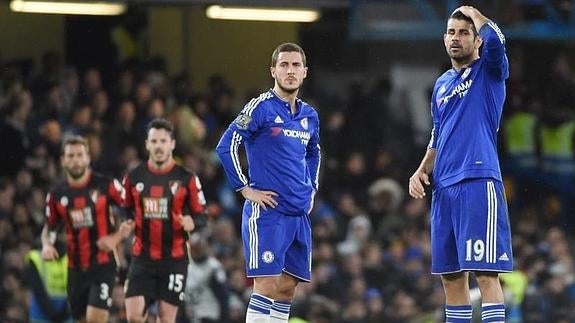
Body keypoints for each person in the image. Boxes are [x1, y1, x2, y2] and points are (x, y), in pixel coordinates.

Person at [408, 6, 513, 323]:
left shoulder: (489, 71)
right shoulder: (441, 84)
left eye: (464, 32)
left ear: (477, 40)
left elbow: (497, 40)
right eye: (452, 32)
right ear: (444, 39)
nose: (456, 38)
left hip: (478, 181)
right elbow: (438, 132)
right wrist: (423, 167)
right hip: (444, 187)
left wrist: (477, 15)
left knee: (485, 272)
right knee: (451, 277)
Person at [216, 42, 321, 323]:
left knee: (287, 288)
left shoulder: (309, 115)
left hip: (298, 212)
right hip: (268, 212)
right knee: (265, 285)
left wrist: (312, 189)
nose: (290, 71)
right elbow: (226, 145)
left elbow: (314, 152)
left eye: (296, 65)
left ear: (305, 72)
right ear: (273, 70)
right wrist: (244, 188)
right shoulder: (260, 107)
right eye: (284, 65)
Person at [121, 118, 207, 323]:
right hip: (142, 258)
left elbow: (202, 216)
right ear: (147, 144)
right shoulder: (134, 177)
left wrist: (192, 223)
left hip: (174, 260)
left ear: (172, 144)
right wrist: (128, 224)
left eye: (163, 141)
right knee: (134, 317)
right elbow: (126, 210)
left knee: (165, 320)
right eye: (154, 141)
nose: (159, 146)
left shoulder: (187, 178)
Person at [42, 135, 133, 322]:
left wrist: (115, 239)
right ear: (63, 160)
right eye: (71, 156)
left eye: (79, 155)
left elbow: (133, 213)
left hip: (103, 265)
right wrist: (46, 245)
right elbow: (50, 227)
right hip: (75, 269)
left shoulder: (106, 185)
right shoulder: (56, 195)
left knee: (96, 318)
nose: (75, 160)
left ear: (88, 158)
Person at [181, 232, 229, 323]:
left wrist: (224, 319)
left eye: (199, 247)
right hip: (190, 317)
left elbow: (223, 296)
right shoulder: (185, 267)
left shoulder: (214, 267)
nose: (198, 251)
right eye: (195, 248)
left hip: (210, 317)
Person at [26, 239, 73, 323]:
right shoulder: (35, 257)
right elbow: (38, 290)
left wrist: (65, 312)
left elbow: (75, 288)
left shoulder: (72, 257)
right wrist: (55, 315)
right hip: (41, 316)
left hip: (66, 315)